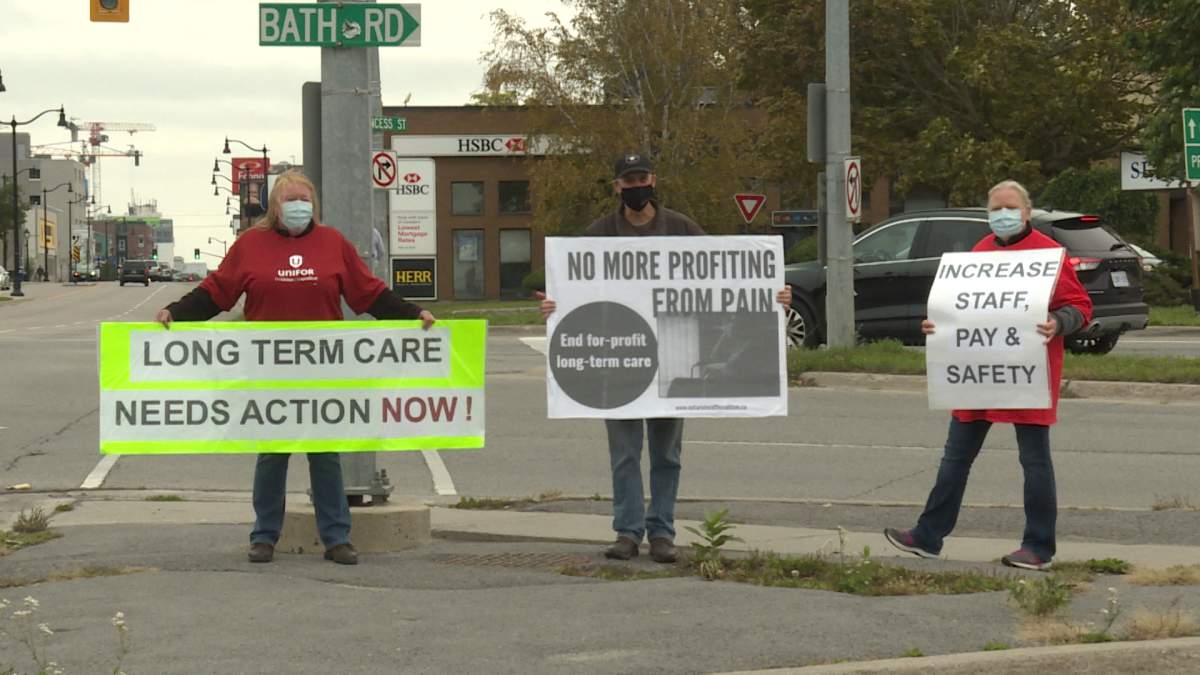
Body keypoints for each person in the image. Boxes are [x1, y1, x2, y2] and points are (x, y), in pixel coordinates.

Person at [154, 170, 435, 566]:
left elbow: (368, 293)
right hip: (269, 373)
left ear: (314, 205)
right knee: (273, 454)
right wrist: (176, 313)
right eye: (290, 199)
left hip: (322, 374)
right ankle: (264, 536)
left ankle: (336, 538)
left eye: (305, 198)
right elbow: (217, 292)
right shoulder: (251, 245)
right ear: (274, 205)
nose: (298, 205)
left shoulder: (332, 244)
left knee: (325, 455)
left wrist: (413, 314)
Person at [537, 153, 791, 563]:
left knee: (666, 455)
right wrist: (554, 308)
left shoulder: (681, 228)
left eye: (642, 177)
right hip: (616, 360)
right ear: (617, 186)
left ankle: (661, 532)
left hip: (667, 367)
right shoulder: (598, 234)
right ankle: (627, 531)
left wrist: (772, 295)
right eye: (628, 179)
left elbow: (726, 275)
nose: (636, 185)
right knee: (624, 454)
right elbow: (572, 290)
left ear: (653, 179)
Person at [884, 179, 1092, 571]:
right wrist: (938, 326)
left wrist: (1057, 322)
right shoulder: (978, 252)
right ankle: (928, 536)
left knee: (1034, 461)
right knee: (955, 457)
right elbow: (960, 308)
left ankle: (1038, 547)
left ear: (1028, 212)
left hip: (1027, 376)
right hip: (976, 374)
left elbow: (1080, 307)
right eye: (995, 209)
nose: (1003, 215)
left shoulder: (1049, 255)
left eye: (1010, 207)